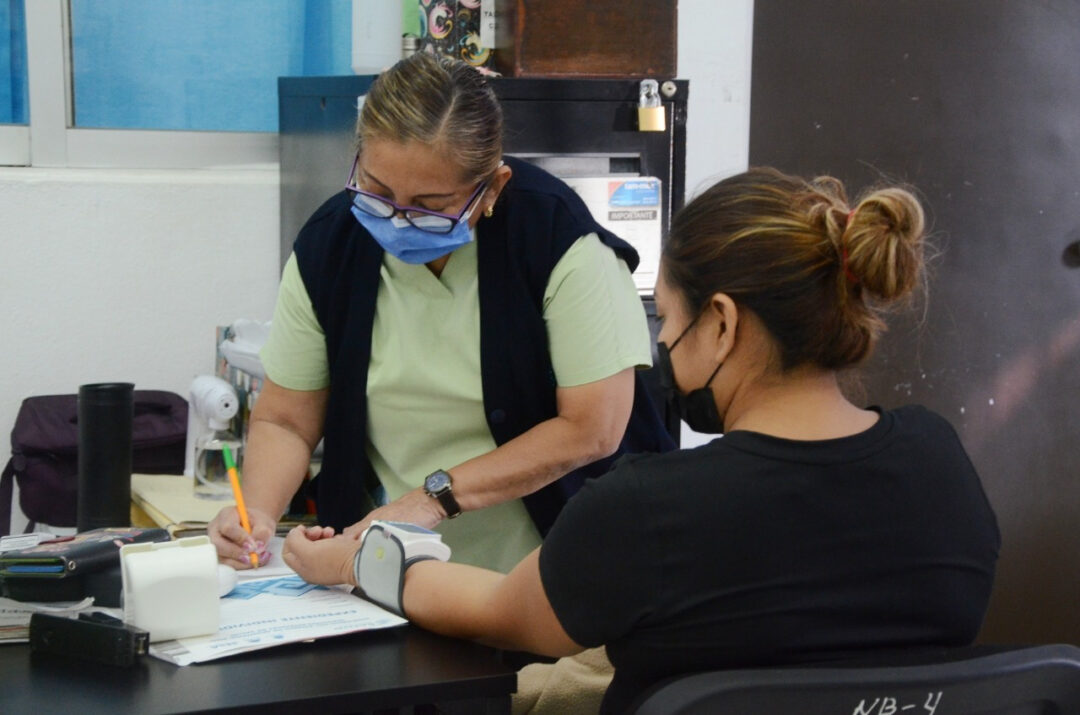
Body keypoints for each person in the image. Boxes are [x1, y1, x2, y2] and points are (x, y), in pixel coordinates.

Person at [282, 167, 1002, 714]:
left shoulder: (651, 510)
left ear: (722, 322)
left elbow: (498, 609)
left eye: (667, 315)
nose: (660, 339)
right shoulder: (941, 467)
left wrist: (359, 559)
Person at [208, 51, 672, 576]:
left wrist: (430, 500)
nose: (399, 220)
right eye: (379, 193)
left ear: (491, 187)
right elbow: (287, 419)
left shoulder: (555, 240)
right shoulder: (330, 244)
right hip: (394, 571)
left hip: (552, 569)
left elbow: (592, 428)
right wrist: (259, 513)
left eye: (430, 204)